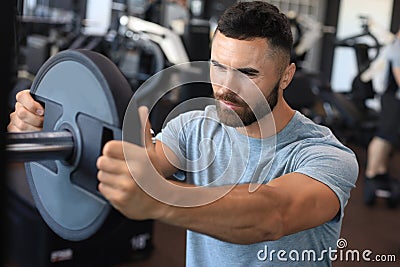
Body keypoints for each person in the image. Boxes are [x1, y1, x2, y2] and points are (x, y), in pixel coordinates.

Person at [8, 1, 359, 266]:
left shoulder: (324, 155)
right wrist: (45, 128)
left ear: (286, 75)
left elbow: (273, 215)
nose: (225, 87)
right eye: (218, 67)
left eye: (247, 74)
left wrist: (158, 197)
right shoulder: (195, 127)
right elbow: (135, 167)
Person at [363, 26, 400, 205]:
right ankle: (371, 174)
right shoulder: (398, 48)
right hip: (393, 99)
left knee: (389, 138)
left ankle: (381, 170)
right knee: (383, 137)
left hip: (395, 98)